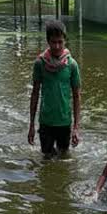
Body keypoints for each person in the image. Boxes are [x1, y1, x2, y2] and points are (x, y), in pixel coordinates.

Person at [28, 20, 82, 156]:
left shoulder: (72, 65)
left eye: (60, 42)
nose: (57, 46)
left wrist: (76, 127)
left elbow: (76, 96)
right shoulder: (40, 64)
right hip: (46, 121)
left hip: (64, 121)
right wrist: (31, 126)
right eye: (53, 42)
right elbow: (35, 94)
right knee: (46, 160)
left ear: (65, 41)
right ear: (48, 41)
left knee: (64, 159)